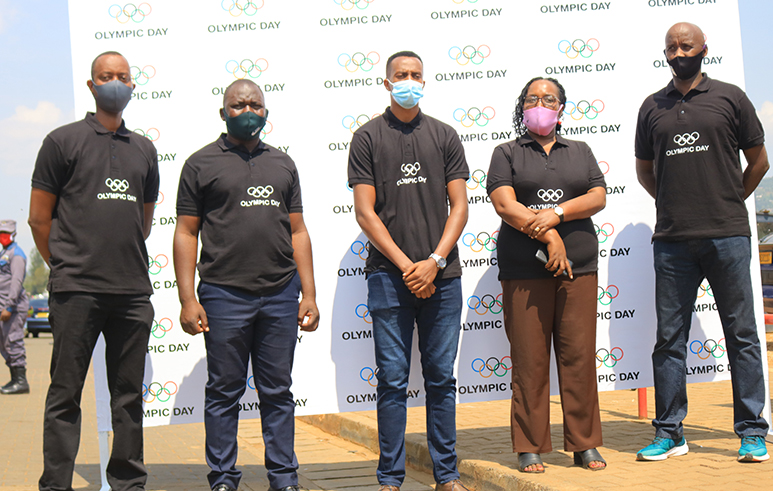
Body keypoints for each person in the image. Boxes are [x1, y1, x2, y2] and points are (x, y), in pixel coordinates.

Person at [634, 22, 771, 463]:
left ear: (703, 49)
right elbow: (644, 170)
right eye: (671, 46)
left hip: (728, 235)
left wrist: (728, 200)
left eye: (686, 45)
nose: (679, 52)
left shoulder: (731, 97)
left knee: (742, 336)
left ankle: (752, 432)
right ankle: (670, 432)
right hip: (672, 240)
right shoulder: (652, 106)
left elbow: (759, 161)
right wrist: (675, 203)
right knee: (669, 340)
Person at [174, 79, 319, 491]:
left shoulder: (283, 163)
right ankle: (222, 479)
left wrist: (308, 293)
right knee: (224, 392)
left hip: (279, 293)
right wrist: (188, 298)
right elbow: (186, 233)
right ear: (223, 113)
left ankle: (284, 479)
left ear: (267, 112)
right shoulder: (200, 164)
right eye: (238, 105)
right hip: (223, 294)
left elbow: (298, 231)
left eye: (255, 103)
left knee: (278, 391)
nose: (247, 110)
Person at [29, 51, 159, 490]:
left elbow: (144, 218)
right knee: (65, 395)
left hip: (131, 293)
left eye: (123, 77)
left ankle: (128, 484)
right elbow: (38, 219)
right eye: (106, 76)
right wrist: (67, 263)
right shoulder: (61, 141)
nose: (115, 83)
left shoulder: (144, 148)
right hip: (76, 291)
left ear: (132, 86)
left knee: (128, 398)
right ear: (91, 85)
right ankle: (56, 485)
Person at [348, 50, 471, 491]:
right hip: (388, 277)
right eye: (401, 75)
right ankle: (390, 478)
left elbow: (460, 206)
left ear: (425, 81)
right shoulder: (366, 137)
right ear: (386, 83)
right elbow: (366, 213)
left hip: (444, 277)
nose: (409, 81)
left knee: (441, 379)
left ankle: (447, 476)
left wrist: (434, 262)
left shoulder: (445, 135)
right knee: (392, 381)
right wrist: (407, 267)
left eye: (416, 75)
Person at [487, 77, 607, 473]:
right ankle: (530, 446)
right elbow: (505, 205)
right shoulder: (506, 153)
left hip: (579, 269)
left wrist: (555, 215)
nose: (541, 104)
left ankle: (584, 444)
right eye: (533, 98)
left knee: (578, 357)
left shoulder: (581, 151)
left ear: (562, 107)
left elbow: (597, 196)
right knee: (529, 361)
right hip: (524, 270)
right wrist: (550, 236)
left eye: (549, 98)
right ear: (522, 107)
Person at [0, 219, 29, 395]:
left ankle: (21, 381)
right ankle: (14, 379)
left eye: (5, 233)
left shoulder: (16, 254)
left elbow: (16, 282)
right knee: (4, 344)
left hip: (13, 308)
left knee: (14, 341)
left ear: (13, 234)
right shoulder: (5, 253)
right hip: (4, 307)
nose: (2, 237)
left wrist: (9, 307)